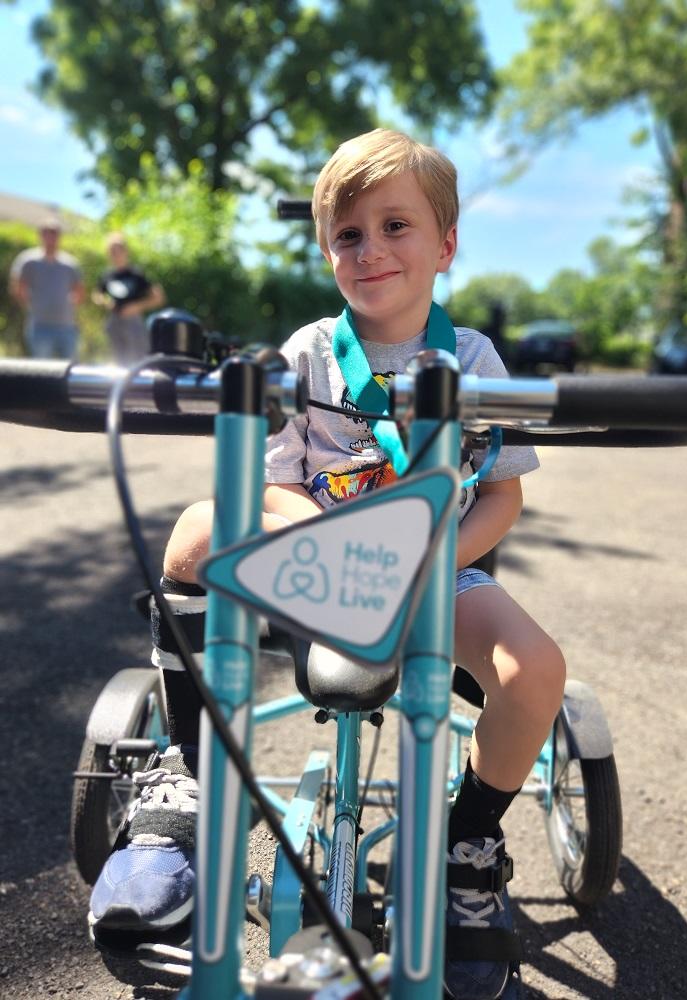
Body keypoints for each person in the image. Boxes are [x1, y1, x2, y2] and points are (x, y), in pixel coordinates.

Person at [89, 130, 566, 999]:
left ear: (446, 246)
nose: (371, 249)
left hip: (433, 574)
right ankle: (191, 783)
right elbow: (269, 485)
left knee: (537, 670)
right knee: (198, 527)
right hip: (314, 561)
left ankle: (467, 846)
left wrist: (424, 564)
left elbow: (501, 498)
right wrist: (333, 546)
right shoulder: (305, 353)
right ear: (326, 251)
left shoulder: (478, 361)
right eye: (349, 235)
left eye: (396, 226)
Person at [9, 218, 84, 359]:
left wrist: (67, 306)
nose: (51, 237)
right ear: (40, 235)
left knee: (70, 369)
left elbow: (79, 291)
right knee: (42, 371)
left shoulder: (70, 264)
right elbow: (18, 287)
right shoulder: (28, 261)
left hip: (67, 327)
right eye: (47, 233)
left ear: (59, 237)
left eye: (54, 233)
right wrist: (31, 305)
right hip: (39, 326)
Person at [93, 233, 165, 364]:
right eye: (112, 251)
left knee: (138, 361)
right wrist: (105, 301)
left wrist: (137, 306)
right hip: (114, 322)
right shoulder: (107, 274)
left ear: (125, 251)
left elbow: (158, 298)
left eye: (118, 250)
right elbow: (97, 294)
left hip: (133, 323)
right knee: (117, 361)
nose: (115, 254)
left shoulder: (136, 274)